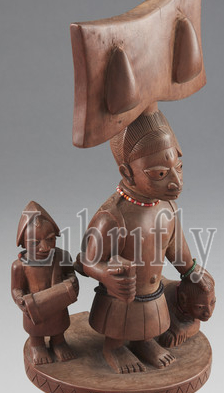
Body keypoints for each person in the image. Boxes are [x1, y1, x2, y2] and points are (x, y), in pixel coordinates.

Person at [79, 107, 213, 374]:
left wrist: (192, 271)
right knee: (123, 314)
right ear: (127, 173)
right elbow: (85, 261)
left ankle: (144, 342)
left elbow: (176, 249)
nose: (176, 182)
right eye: (160, 174)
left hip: (152, 293)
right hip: (120, 299)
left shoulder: (167, 208)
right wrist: (105, 275)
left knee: (149, 320)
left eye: (178, 168)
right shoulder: (112, 216)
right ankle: (114, 347)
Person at [11, 201, 79, 365]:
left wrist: (71, 282)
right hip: (35, 307)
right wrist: (21, 300)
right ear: (24, 243)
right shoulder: (20, 266)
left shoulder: (61, 257)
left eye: (50, 239)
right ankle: (37, 346)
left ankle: (58, 343)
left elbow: (70, 273)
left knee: (58, 327)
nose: (45, 247)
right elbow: (16, 289)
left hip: (58, 303)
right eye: (35, 243)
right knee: (36, 331)